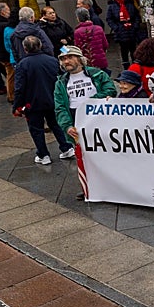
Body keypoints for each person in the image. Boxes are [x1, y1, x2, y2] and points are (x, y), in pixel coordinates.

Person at [53, 44, 116, 198]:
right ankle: (90, 187)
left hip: (98, 118)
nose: (66, 61)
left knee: (107, 152)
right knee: (85, 155)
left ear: (80, 59)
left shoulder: (97, 74)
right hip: (76, 120)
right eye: (63, 59)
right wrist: (67, 126)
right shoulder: (60, 82)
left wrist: (89, 103)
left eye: (70, 57)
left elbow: (110, 90)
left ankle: (114, 185)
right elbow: (60, 107)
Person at [13, 36, 72, 164]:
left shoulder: (22, 65)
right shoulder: (52, 60)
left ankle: (43, 154)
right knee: (56, 124)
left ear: (25, 48)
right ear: (40, 45)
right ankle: (66, 147)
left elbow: (19, 88)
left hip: (32, 103)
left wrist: (17, 106)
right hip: (52, 99)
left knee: (36, 129)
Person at [107, 0, 142, 69]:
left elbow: (136, 16)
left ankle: (135, 67)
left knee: (133, 49)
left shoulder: (130, 4)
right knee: (123, 50)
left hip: (131, 29)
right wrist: (116, 28)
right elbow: (109, 19)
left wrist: (135, 25)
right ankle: (126, 67)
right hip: (120, 30)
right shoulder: (112, 6)